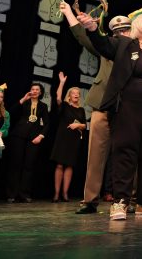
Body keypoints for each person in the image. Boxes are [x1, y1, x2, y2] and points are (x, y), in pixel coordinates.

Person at [78, 3, 142, 221]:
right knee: (125, 153)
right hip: (127, 111)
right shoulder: (125, 45)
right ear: (141, 27)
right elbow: (104, 45)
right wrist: (92, 29)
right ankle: (120, 202)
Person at [61, 0, 132, 214]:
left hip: (127, 107)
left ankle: (130, 199)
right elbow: (82, 36)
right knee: (95, 156)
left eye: (125, 30)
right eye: (118, 31)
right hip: (102, 104)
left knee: (128, 153)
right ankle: (90, 200)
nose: (122, 34)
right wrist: (68, 12)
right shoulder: (105, 46)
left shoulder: (137, 49)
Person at [6, 82, 50, 203]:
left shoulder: (43, 106)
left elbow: (47, 123)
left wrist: (40, 136)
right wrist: (23, 99)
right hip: (18, 135)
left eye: (37, 89)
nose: (35, 91)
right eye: (33, 89)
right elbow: (10, 113)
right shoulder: (24, 102)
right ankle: (12, 194)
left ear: (40, 92)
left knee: (29, 166)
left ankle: (24, 194)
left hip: (34, 138)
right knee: (15, 164)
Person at [50, 72, 87, 203]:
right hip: (63, 138)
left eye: (78, 93)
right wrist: (61, 83)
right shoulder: (65, 106)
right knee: (60, 165)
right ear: (69, 96)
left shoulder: (81, 110)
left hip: (74, 140)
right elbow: (58, 97)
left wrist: (78, 125)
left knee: (70, 165)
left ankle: (65, 193)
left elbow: (84, 125)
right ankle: (56, 194)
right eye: (73, 93)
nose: (76, 94)